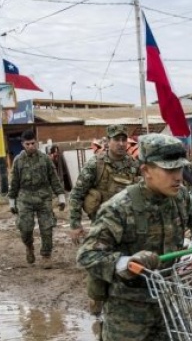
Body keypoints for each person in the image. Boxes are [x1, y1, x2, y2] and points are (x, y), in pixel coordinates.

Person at [78, 134, 192, 341]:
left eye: (180, 168)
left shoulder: (181, 199)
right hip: (128, 311)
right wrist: (125, 263)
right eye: (169, 170)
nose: (178, 177)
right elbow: (88, 255)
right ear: (146, 171)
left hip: (168, 302)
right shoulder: (120, 208)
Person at [68, 124, 140, 319]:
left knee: (128, 266)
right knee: (98, 267)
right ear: (107, 141)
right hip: (102, 226)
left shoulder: (133, 165)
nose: (121, 143)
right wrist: (75, 225)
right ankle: (96, 309)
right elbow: (76, 195)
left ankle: (123, 309)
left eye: (124, 139)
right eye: (117, 139)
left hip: (128, 227)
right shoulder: (96, 165)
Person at [9, 130, 67, 269]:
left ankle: (46, 255)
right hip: (25, 198)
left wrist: (61, 196)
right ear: (23, 144)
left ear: (36, 142)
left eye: (33, 143)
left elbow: (54, 178)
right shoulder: (18, 160)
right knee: (25, 227)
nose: (30, 146)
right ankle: (29, 246)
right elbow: (15, 182)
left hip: (43, 197)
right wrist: (12, 200)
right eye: (27, 144)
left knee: (47, 228)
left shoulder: (45, 159)